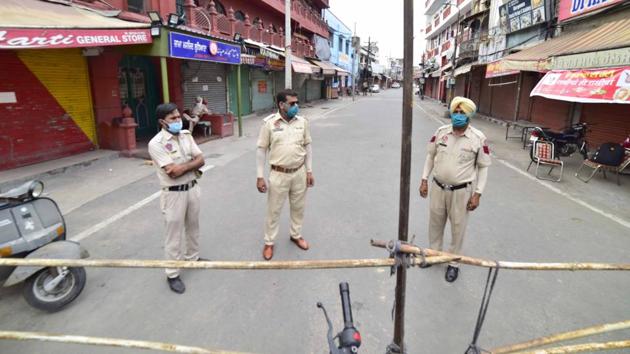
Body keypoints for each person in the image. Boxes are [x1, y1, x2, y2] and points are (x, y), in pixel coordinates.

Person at [419, 96, 491, 282]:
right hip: (438, 188)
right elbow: (430, 156)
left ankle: (453, 263)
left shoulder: (478, 138)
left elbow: (483, 167)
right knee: (435, 225)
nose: (458, 116)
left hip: (461, 192)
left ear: (469, 116)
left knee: (458, 228)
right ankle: (434, 255)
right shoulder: (441, 132)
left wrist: (478, 194)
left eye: (462, 113)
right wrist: (424, 179)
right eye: (455, 112)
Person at [148, 103, 206, 294]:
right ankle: (172, 273)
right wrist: (192, 164)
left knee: (193, 226)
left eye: (178, 117)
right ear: (162, 122)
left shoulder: (186, 136)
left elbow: (202, 159)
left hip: (192, 188)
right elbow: (173, 172)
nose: (177, 121)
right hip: (173, 194)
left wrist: (186, 166)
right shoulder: (156, 144)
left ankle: (193, 258)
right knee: (173, 234)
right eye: (172, 119)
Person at [256, 89, 314, 261]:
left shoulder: (302, 122)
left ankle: (296, 235)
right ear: (281, 105)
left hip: (299, 172)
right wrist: (260, 176)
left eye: (297, 102)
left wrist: (309, 171)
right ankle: (269, 242)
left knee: (298, 208)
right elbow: (261, 149)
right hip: (278, 174)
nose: (296, 106)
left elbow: (308, 147)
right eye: (292, 103)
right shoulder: (269, 124)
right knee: (273, 210)